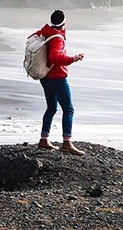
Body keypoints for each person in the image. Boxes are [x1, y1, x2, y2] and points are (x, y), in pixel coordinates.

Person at [34, 9, 85, 155]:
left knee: (51, 108)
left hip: (45, 76)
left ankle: (44, 139)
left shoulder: (45, 32)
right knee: (68, 109)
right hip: (57, 77)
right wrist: (73, 58)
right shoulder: (57, 38)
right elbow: (56, 57)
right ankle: (67, 142)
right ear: (64, 23)